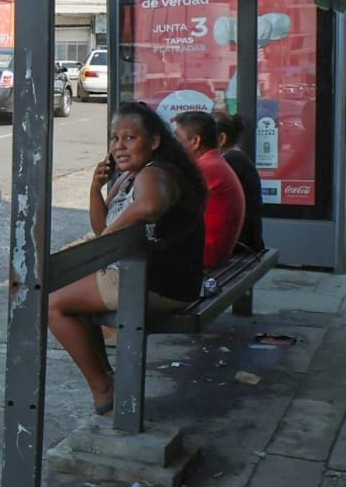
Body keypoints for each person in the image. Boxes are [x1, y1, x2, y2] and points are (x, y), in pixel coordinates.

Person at [47, 102, 206, 414]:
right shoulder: (129, 176)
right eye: (114, 138)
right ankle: (106, 378)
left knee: (50, 303)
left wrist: (109, 238)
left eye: (129, 138)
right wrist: (95, 189)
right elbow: (101, 226)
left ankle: (103, 387)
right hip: (146, 275)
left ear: (154, 141)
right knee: (68, 295)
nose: (119, 146)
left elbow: (149, 207)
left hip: (154, 281)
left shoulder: (155, 173)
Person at [172, 110, 245, 269]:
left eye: (177, 138)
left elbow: (167, 206)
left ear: (195, 142)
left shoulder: (206, 168)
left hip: (205, 256)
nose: (173, 144)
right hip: (212, 252)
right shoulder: (214, 162)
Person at [214, 110, 265, 253]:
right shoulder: (236, 158)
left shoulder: (229, 162)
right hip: (246, 241)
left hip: (240, 245)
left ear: (221, 139)